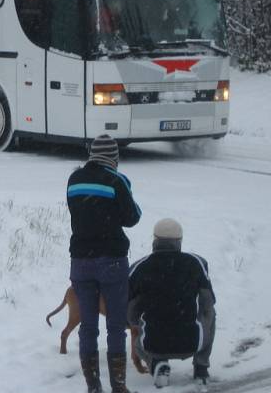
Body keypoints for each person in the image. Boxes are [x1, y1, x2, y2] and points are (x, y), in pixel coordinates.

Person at [67, 134, 142, 393]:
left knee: (88, 326)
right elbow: (132, 217)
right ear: (114, 158)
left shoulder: (73, 180)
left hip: (80, 262)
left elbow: (80, 213)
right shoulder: (116, 180)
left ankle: (93, 386)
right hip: (111, 261)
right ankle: (118, 387)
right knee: (115, 327)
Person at [128, 219, 216, 391]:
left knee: (136, 320)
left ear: (154, 240)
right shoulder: (197, 263)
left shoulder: (139, 267)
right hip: (191, 342)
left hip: (152, 343)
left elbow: (130, 310)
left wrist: (136, 321)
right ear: (179, 241)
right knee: (211, 313)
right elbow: (208, 301)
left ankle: (157, 363)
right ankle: (201, 369)